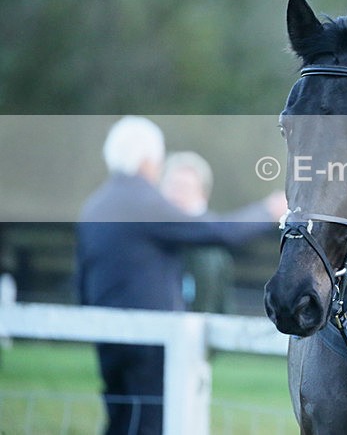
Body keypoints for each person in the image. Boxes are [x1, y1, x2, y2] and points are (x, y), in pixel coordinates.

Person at [75, 116, 272, 435]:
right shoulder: (146, 203)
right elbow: (219, 232)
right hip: (151, 345)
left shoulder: (94, 207)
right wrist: (267, 211)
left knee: (119, 422)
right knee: (153, 424)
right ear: (147, 159)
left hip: (107, 339)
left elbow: (82, 280)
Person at [160, 151, 235, 314]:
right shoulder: (148, 241)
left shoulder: (213, 252)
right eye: (173, 186)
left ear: (202, 196)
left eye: (185, 188)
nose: (177, 195)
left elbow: (221, 306)